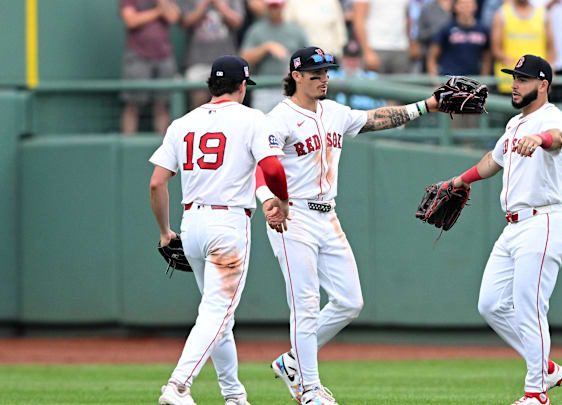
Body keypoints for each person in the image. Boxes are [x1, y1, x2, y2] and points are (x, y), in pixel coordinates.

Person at [257, 46, 441, 405]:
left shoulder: (334, 111)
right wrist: (267, 199)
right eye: (316, 73)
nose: (324, 78)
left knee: (349, 301)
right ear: (296, 76)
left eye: (327, 72)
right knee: (306, 305)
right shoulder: (278, 119)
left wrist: (427, 105)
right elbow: (263, 165)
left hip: (328, 215)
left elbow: (375, 118)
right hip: (292, 217)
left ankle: (293, 361)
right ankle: (309, 389)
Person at [149, 55, 290, 405]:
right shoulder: (251, 118)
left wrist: (165, 232)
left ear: (211, 85)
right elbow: (271, 167)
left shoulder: (182, 123)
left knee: (220, 317)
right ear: (242, 86)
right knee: (216, 312)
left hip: (191, 224)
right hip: (227, 224)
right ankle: (178, 385)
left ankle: (234, 395)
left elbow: (156, 183)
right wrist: (282, 199)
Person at [449, 54, 562, 405]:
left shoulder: (553, 118)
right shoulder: (514, 124)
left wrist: (541, 140)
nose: (514, 84)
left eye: (522, 78)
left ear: (543, 84)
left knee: (529, 306)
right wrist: (460, 180)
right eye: (513, 77)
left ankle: (536, 393)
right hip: (515, 227)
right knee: (490, 304)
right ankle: (545, 368)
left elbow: (557, 138)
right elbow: (494, 159)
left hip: (544, 221)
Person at [119, 0, 181, 135]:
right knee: (132, 105)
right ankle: (127, 147)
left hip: (164, 56)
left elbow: (173, 16)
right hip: (137, 56)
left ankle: (164, 150)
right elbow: (131, 21)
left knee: (162, 105)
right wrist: (158, 11)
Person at [240, 0, 308, 112]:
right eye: (271, 6)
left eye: (277, 5)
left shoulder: (296, 30)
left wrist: (295, 67)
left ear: (283, 6)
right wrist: (266, 47)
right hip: (264, 89)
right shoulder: (256, 30)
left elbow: (309, 58)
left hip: (291, 89)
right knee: (263, 126)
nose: (274, 9)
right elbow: (243, 59)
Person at [180, 0, 245, 108]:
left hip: (226, 60)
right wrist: (204, 4)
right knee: (198, 103)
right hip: (198, 60)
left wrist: (219, 5)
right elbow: (185, 22)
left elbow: (237, 21)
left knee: (228, 103)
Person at [491, 0, 555, 93]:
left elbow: (551, 49)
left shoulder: (543, 13)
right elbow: (496, 50)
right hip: (509, 84)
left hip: (537, 83)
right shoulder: (501, 13)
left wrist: (550, 71)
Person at [426, 0, 491, 76]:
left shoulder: (483, 30)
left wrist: (483, 81)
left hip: (472, 81)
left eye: (469, 3)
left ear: (475, 6)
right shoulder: (446, 29)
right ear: (455, 7)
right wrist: (436, 82)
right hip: (450, 80)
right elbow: (432, 57)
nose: (466, 7)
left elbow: (487, 59)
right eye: (462, 4)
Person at [353, 0, 413, 73]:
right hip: (375, 47)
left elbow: (407, 18)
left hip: (401, 48)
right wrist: (367, 51)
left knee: (403, 83)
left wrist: (410, 43)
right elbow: (359, 19)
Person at [282, 0, 348, 57]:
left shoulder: (331, 2)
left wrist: (338, 52)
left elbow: (340, 31)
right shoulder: (293, 2)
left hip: (328, 56)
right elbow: (287, 29)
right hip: (303, 58)